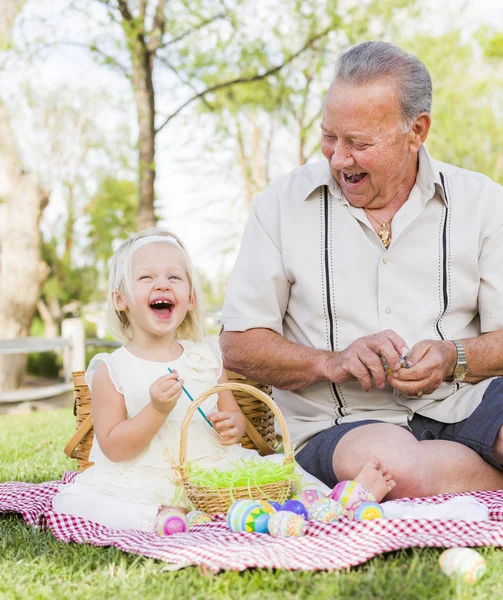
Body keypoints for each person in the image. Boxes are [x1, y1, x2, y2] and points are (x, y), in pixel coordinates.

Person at [220, 41, 503, 501]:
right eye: (330, 136)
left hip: (463, 401)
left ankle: (450, 481)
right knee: (389, 470)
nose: (337, 158)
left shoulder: (484, 202)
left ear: (417, 131)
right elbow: (238, 347)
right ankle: (466, 482)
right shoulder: (280, 205)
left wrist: (455, 357)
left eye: (358, 143)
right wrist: (331, 362)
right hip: (340, 426)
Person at [53, 228, 395, 531]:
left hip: (215, 473)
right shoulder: (112, 369)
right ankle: (155, 517)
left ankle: (340, 500)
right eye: (145, 278)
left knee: (283, 469)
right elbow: (113, 447)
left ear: (190, 299)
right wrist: (156, 410)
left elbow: (234, 419)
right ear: (120, 299)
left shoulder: (206, 354)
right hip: (148, 480)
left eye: (174, 278)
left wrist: (230, 425)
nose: (162, 284)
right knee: (71, 500)